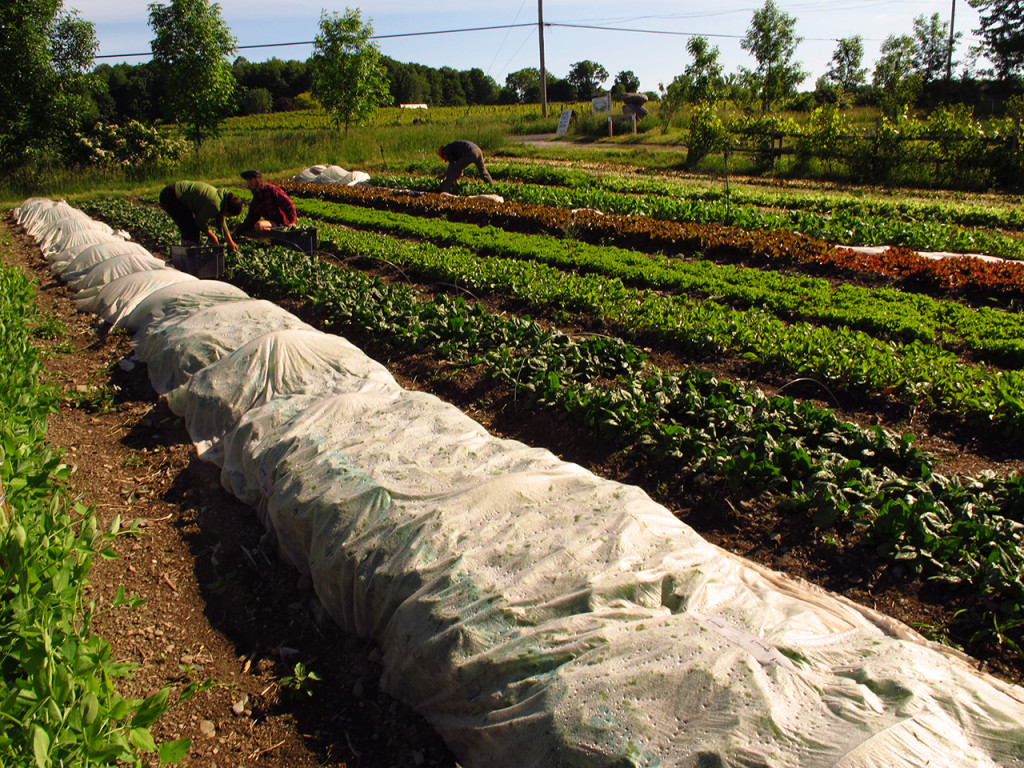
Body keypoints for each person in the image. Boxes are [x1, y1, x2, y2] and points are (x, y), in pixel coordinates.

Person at [159, 180, 243, 252]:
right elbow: (199, 221)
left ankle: (187, 254)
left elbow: (221, 221)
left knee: (190, 229)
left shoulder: (222, 200)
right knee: (191, 230)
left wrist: (230, 242)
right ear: (227, 209)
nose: (228, 217)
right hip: (171, 196)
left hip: (174, 192)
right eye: (230, 216)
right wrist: (210, 235)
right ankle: (188, 257)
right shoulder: (215, 205)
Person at [233, 169, 297, 237]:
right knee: (249, 231)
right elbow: (250, 219)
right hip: (272, 224)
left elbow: (289, 205)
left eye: (251, 179)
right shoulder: (256, 200)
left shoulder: (272, 190)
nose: (249, 182)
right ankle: (277, 236)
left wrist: (292, 222)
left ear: (257, 179)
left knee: (259, 226)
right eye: (248, 180)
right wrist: (236, 232)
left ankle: (282, 235)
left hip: (282, 222)